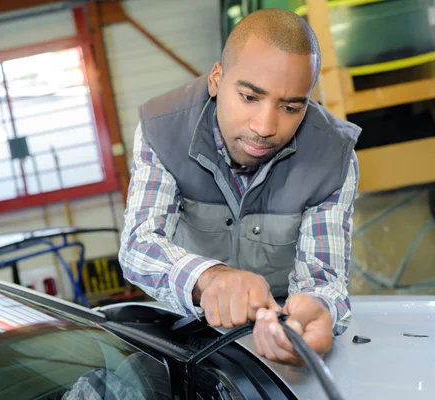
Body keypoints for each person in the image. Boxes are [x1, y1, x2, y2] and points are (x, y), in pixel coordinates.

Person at [119, 8, 361, 366]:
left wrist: (317, 310)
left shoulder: (333, 157)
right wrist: (209, 278)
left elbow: (324, 276)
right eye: (249, 97)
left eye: (291, 107)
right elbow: (138, 245)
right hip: (186, 331)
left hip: (278, 331)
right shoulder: (162, 132)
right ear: (216, 79)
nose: (265, 126)